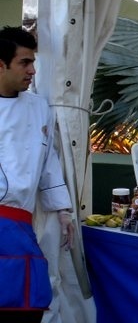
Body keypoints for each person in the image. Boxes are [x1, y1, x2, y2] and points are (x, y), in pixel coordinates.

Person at [0, 26, 74, 323]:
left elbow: (48, 160)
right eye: (24, 62)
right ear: (1, 64)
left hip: (22, 225)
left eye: (33, 62)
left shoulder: (39, 107)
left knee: (27, 306)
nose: (32, 70)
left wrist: (63, 209)